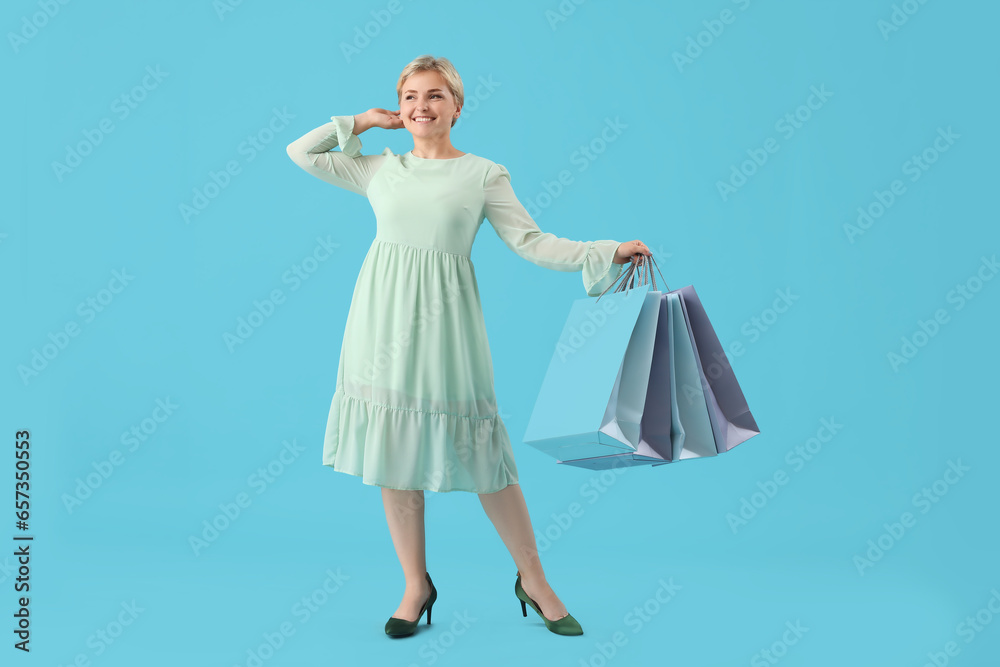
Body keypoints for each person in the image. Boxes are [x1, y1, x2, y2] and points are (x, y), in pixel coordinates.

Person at [285, 54, 652, 638]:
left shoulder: (483, 174)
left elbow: (533, 242)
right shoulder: (378, 168)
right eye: (409, 98)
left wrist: (605, 250)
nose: (420, 108)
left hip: (446, 326)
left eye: (434, 96)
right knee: (394, 456)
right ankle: (415, 585)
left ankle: (534, 579)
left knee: (487, 460)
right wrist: (360, 121)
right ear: (398, 106)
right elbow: (301, 152)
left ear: (457, 106)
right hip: (380, 324)